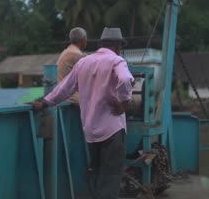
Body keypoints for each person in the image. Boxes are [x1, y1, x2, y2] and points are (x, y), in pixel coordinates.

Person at [32, 27, 134, 199]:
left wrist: (44, 103)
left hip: (91, 131)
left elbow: (63, 89)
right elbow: (125, 79)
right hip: (112, 130)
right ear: (118, 46)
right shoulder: (117, 61)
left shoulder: (83, 63)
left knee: (97, 175)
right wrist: (123, 103)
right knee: (110, 178)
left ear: (101, 44)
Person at [57, 27, 88, 103]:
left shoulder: (67, 51)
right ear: (84, 40)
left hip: (61, 92)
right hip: (71, 96)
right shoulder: (77, 55)